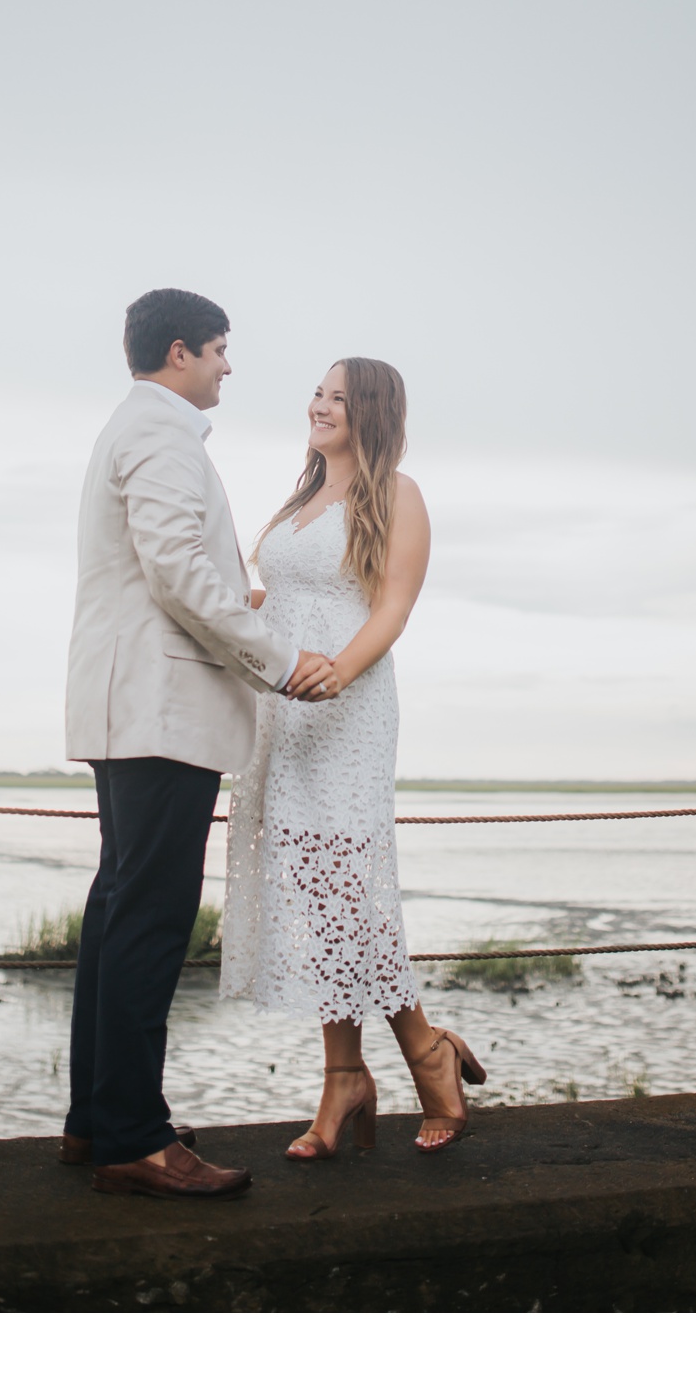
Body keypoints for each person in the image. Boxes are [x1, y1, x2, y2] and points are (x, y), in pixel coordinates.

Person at [62, 288, 336, 1200]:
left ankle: (98, 1119)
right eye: (220, 349)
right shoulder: (164, 433)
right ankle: (134, 1137)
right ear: (180, 352)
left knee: (116, 912)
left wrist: (245, 598)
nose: (228, 366)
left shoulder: (134, 426)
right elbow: (177, 570)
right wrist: (281, 655)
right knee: (148, 920)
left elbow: (168, 568)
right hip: (161, 707)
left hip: (133, 702)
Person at [221, 357, 486, 1156]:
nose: (320, 405)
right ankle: (345, 1077)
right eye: (317, 393)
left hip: (349, 699)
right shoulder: (301, 496)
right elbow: (287, 595)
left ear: (370, 411)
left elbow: (394, 602)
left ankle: (420, 1050)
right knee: (310, 883)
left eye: (338, 397)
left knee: (344, 878)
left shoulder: (397, 493)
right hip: (284, 704)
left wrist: (342, 667)